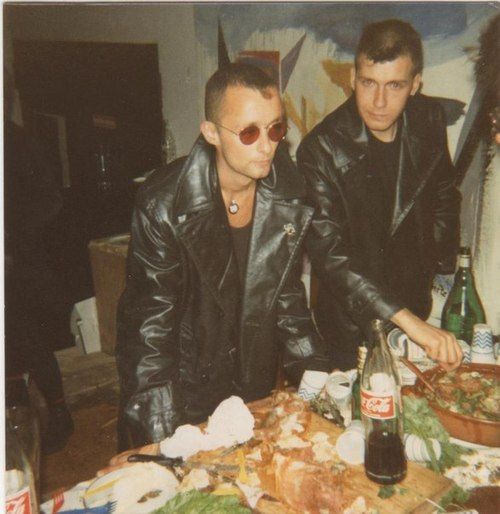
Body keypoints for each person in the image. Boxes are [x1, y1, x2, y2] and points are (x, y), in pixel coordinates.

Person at [116, 62, 330, 449]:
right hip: (182, 401)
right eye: (249, 132)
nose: (267, 146)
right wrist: (161, 441)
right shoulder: (164, 203)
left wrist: (320, 379)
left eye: (276, 128)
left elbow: (285, 297)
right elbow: (149, 334)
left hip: (250, 392)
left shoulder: (288, 191)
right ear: (211, 132)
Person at [297, 19, 463, 371]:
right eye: (368, 82)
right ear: (352, 78)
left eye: (395, 85)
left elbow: (444, 194)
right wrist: (406, 320)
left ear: (415, 85)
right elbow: (331, 257)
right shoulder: (319, 149)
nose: (378, 101)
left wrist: (441, 272)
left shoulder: (429, 118)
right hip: (353, 325)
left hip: (418, 307)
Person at [4, 69, 74, 454]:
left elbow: (51, 201)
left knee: (31, 343)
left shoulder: (20, 143)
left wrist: (12, 238)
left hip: (23, 266)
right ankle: (15, 426)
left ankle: (60, 415)